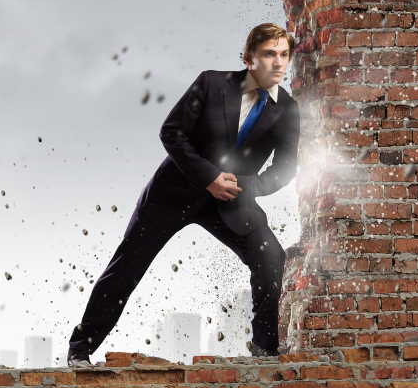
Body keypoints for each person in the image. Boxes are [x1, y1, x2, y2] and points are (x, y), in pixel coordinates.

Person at [66, 23, 301, 366]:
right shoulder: (211, 83)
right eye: (269, 54)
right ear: (250, 57)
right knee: (126, 268)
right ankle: (80, 348)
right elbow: (172, 132)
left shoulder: (288, 110)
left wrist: (248, 186)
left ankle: (266, 350)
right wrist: (210, 177)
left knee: (271, 257)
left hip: (231, 201)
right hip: (172, 193)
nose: (278, 63)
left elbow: (285, 168)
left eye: (284, 55)